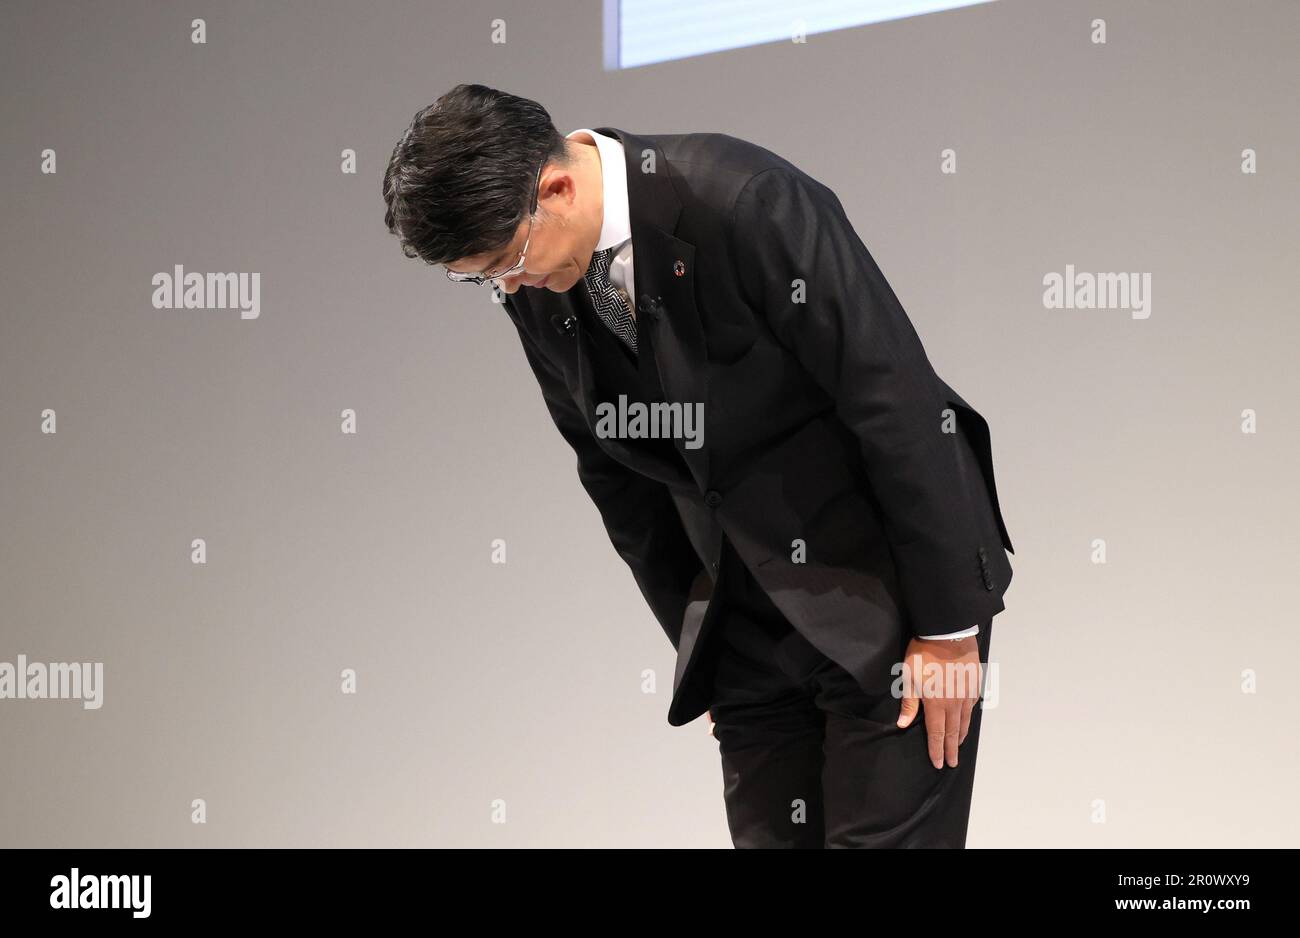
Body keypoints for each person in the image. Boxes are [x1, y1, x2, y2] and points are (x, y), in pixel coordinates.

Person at [382, 84, 1015, 848]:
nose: (507, 287)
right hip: (746, 632)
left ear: (554, 186)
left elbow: (893, 396)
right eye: (479, 279)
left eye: (504, 262)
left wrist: (948, 626)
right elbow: (614, 478)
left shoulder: (743, 200)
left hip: (884, 598)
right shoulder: (535, 286)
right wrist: (698, 644)